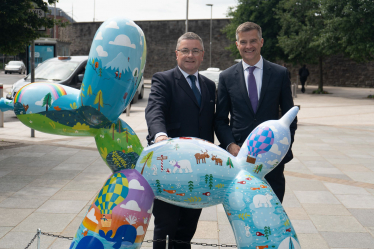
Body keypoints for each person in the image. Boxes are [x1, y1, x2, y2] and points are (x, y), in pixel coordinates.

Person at [145, 32, 216, 249]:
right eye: (185, 50)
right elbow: (154, 110)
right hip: (169, 167)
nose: (190, 55)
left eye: (195, 50)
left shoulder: (209, 86)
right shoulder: (163, 79)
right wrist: (160, 136)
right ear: (176, 54)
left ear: (202, 55)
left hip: (199, 171)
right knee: (165, 226)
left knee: (187, 227)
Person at [215, 22, 297, 203]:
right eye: (243, 42)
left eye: (253, 41)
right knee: (242, 211)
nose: (248, 46)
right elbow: (220, 119)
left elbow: (290, 116)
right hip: (240, 160)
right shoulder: (226, 77)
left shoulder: (279, 73)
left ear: (261, 42)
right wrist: (230, 145)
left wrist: (282, 149)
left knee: (274, 208)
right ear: (237, 45)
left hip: (272, 160)